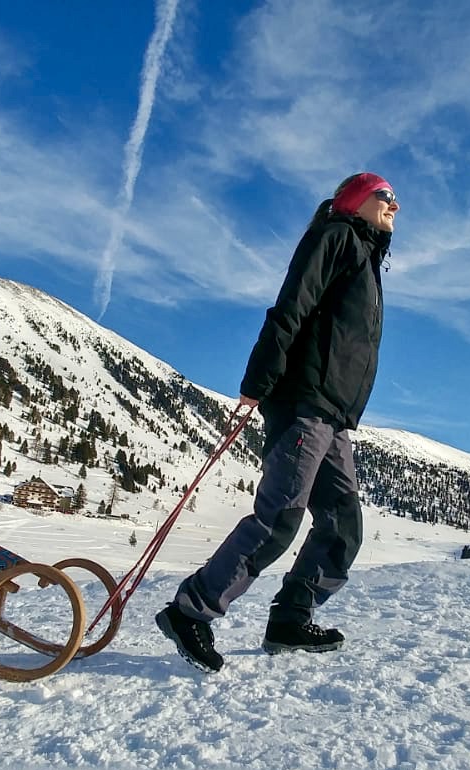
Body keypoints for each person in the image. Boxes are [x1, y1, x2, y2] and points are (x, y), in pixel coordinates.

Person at [156, 172, 396, 672]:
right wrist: (258, 381)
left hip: (332, 413)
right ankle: (190, 611)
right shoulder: (335, 237)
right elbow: (291, 306)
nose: (395, 205)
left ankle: (291, 617)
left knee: (341, 522)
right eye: (385, 196)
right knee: (281, 516)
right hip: (303, 402)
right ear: (356, 200)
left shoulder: (366, 258)